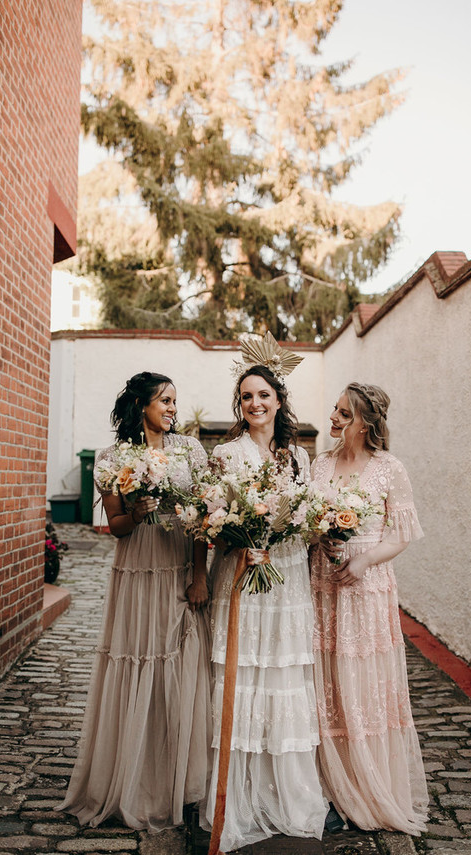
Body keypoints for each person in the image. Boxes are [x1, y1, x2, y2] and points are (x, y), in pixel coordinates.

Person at [59, 371, 211, 831]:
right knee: (140, 659)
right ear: (141, 405)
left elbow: (204, 517)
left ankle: (182, 781)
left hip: (180, 565)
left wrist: (200, 573)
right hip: (138, 571)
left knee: (182, 665)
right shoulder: (113, 458)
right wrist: (136, 510)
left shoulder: (190, 451)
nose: (171, 408)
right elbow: (116, 527)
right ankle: (134, 779)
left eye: (174, 401)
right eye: (163, 400)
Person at [202, 350, 328, 852]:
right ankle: (235, 797)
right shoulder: (227, 456)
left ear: (279, 401)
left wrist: (320, 531)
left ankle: (285, 794)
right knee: (244, 673)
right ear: (240, 403)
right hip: (243, 578)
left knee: (280, 675)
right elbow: (212, 523)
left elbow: (308, 522)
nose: (255, 402)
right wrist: (240, 536)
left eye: (264, 395)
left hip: (287, 576)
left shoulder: (299, 458)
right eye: (247, 396)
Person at [310, 382, 428, 835]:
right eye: (335, 409)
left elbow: (401, 535)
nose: (335, 418)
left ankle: (367, 784)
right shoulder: (321, 464)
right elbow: (309, 521)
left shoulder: (389, 469)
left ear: (365, 422)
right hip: (324, 585)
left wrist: (363, 559)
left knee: (363, 686)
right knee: (328, 687)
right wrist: (321, 537)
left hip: (366, 588)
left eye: (344, 413)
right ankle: (330, 787)